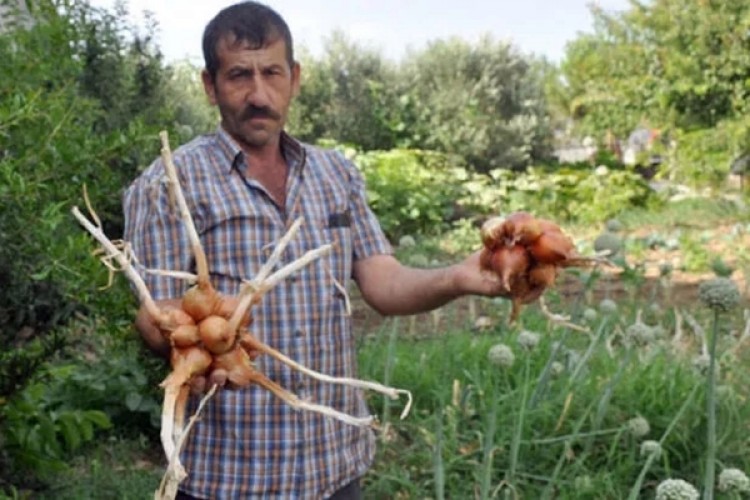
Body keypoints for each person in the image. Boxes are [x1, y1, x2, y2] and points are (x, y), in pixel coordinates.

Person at [122, 2, 543, 498]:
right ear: (209, 86)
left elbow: (384, 284)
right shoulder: (168, 182)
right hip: (231, 476)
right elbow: (161, 315)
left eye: (272, 73)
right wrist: (172, 332)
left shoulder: (336, 174)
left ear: (295, 78)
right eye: (238, 76)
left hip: (334, 463)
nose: (259, 94)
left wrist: (460, 277)